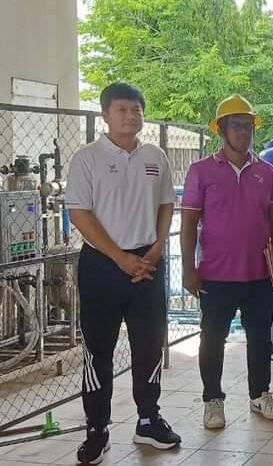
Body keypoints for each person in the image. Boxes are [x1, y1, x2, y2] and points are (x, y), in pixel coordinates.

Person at [65, 82, 181, 464]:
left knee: (149, 345)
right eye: (121, 109)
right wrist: (119, 257)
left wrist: (157, 246)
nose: (130, 116)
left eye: (136, 110)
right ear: (105, 115)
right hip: (102, 264)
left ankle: (148, 419)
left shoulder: (155, 156)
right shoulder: (87, 158)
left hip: (148, 263)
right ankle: (97, 430)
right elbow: (79, 213)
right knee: (98, 350)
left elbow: (166, 204)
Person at [180, 94, 273, 429]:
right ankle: (213, 400)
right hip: (215, 275)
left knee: (261, 338)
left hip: (259, 273)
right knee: (213, 339)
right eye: (237, 126)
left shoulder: (267, 172)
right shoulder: (200, 172)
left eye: (248, 126)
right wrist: (188, 269)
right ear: (221, 130)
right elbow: (188, 224)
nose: (244, 132)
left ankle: (260, 394)